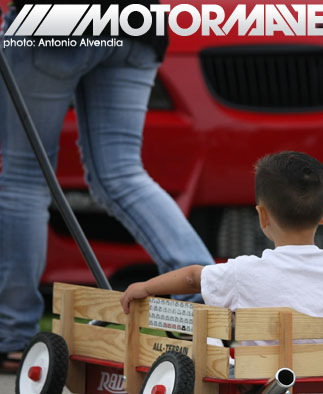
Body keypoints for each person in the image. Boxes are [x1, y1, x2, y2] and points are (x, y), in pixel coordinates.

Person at [0, 2, 215, 371]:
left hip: (52, 19)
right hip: (137, 22)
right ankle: (211, 306)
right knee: (123, 175)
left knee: (25, 176)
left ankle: (14, 337)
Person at [120, 151, 323, 345]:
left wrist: (146, 287)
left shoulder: (244, 272)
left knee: (207, 337)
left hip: (262, 382)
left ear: (262, 215)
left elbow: (192, 277)